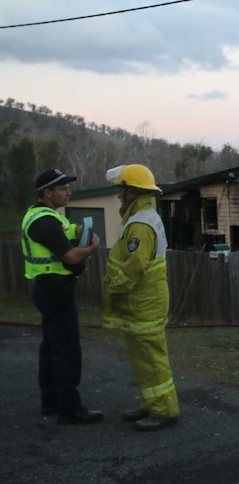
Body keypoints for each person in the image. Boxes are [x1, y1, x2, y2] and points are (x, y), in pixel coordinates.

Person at [102, 164, 180, 432]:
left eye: (121, 190)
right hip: (142, 302)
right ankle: (152, 403)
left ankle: (164, 411)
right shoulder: (142, 218)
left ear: (132, 192)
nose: (119, 196)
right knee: (143, 358)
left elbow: (134, 267)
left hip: (144, 302)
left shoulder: (140, 225)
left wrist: (114, 286)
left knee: (152, 358)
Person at [21, 168, 103, 424]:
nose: (69, 192)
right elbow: (69, 256)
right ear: (48, 193)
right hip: (55, 290)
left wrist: (77, 232)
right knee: (66, 349)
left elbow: (63, 238)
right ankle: (70, 407)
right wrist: (90, 248)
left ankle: (51, 402)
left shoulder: (48, 217)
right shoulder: (43, 221)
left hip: (50, 288)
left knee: (51, 347)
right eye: (63, 188)